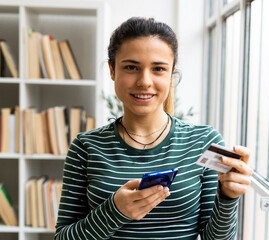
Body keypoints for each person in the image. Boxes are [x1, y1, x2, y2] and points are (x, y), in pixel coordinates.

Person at [55, 17, 253, 240]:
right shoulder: (85, 147)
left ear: (171, 75)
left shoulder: (203, 141)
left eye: (158, 69)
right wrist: (114, 212)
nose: (144, 81)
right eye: (131, 67)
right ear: (112, 70)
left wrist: (228, 197)